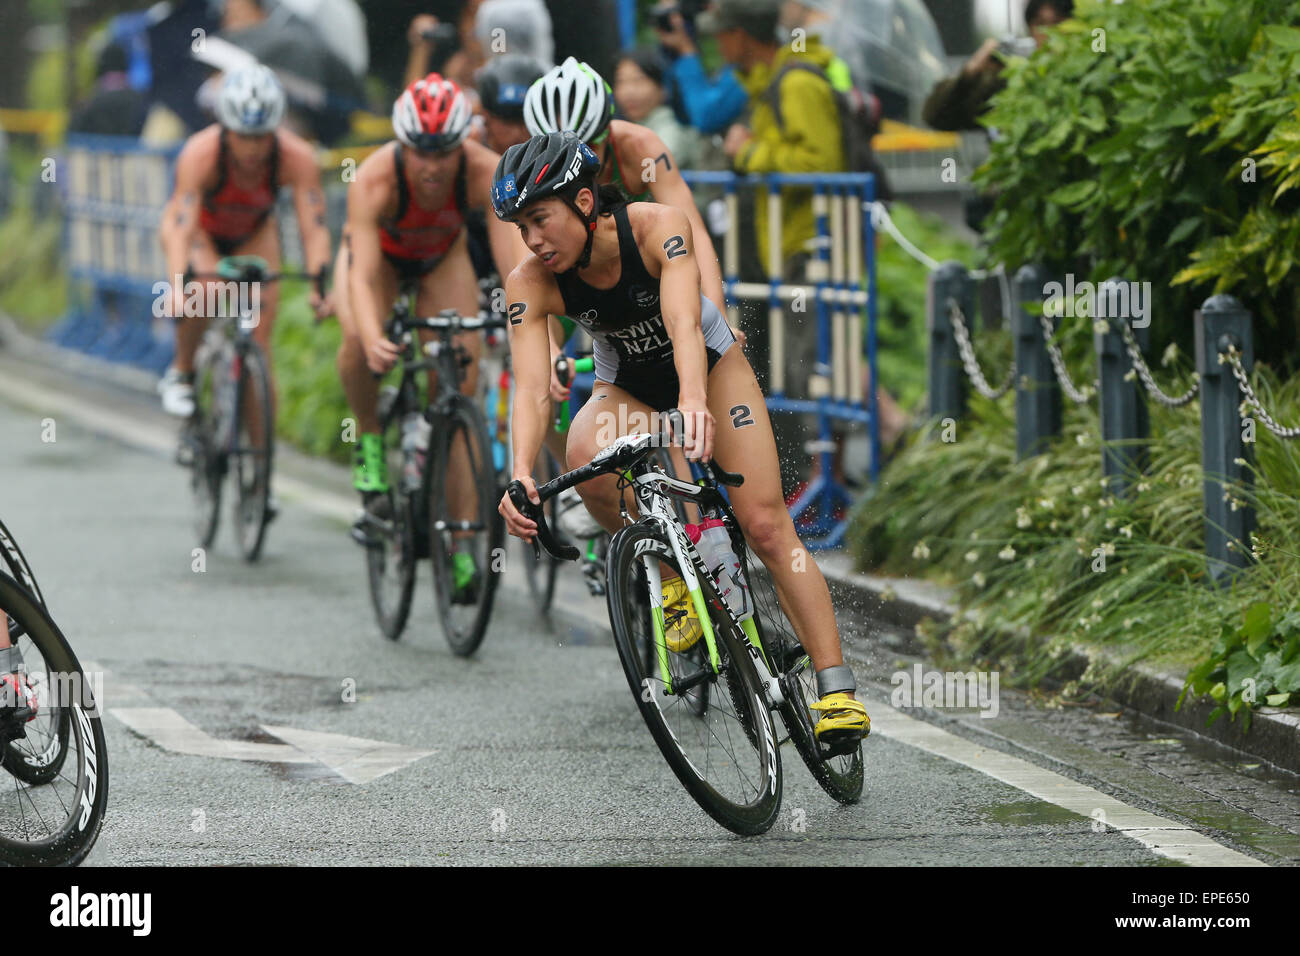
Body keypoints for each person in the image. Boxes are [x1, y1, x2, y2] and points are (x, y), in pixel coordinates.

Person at [494, 131, 870, 751]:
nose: (532, 239)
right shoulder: (530, 282)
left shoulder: (656, 226)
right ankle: (673, 574)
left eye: (540, 220)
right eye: (520, 226)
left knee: (768, 525)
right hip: (630, 387)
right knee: (585, 453)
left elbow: (682, 322)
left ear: (585, 202)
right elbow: (533, 388)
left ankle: (836, 691)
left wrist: (693, 401)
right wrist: (519, 473)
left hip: (711, 368)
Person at [331, 72, 529, 597]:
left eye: (445, 151)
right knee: (356, 341)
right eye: (421, 151)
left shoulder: (484, 171)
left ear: (462, 143)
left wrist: (525, 325)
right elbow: (362, 274)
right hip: (382, 263)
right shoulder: (374, 179)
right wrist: (375, 336)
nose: (434, 165)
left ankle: (461, 543)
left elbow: (516, 269)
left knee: (463, 394)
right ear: (403, 144)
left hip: (442, 259)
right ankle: (370, 441)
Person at [157, 65, 333, 428]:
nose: (252, 148)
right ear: (225, 127)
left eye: (261, 137)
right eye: (243, 136)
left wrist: (319, 282)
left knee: (259, 344)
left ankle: (258, 468)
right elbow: (181, 225)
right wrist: (176, 287)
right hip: (200, 232)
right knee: (206, 289)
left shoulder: (296, 157)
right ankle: (183, 371)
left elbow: (313, 227)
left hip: (253, 232)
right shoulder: (201, 153)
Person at [922, 0, 1073, 133]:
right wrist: (970, 73)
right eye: (1040, 24)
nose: (1049, 33)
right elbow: (938, 117)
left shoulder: (1091, 74)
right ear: (1030, 30)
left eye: (1058, 23)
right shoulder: (1013, 82)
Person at [654, 4, 748, 136]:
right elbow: (680, 111)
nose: (719, 43)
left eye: (721, 34)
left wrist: (686, 52)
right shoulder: (733, 65)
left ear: (739, 35)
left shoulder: (748, 69)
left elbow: (706, 116)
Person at [612, 49, 702, 171]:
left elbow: (649, 171)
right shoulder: (631, 126)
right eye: (621, 81)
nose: (628, 92)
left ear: (663, 88)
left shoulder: (671, 130)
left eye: (638, 80)